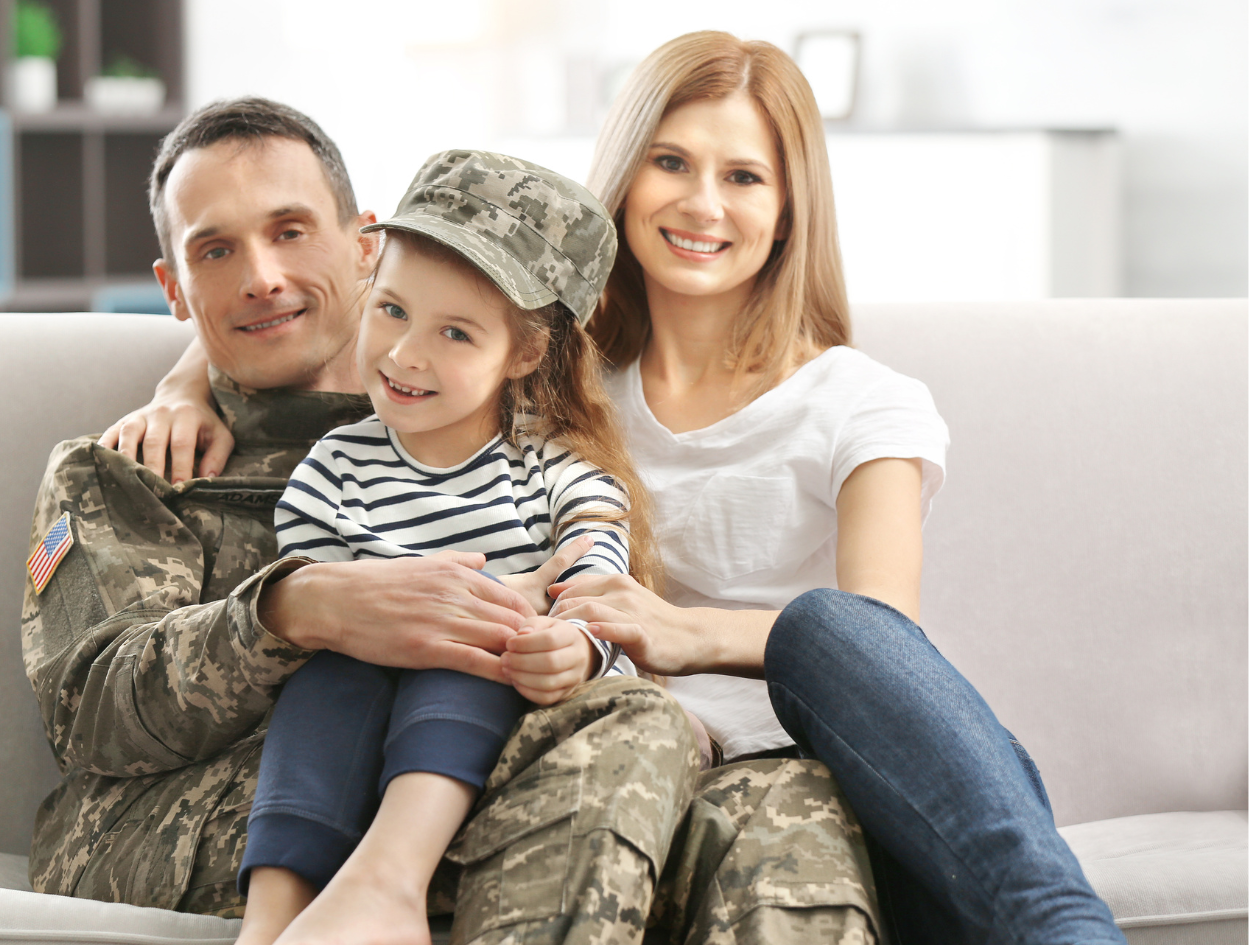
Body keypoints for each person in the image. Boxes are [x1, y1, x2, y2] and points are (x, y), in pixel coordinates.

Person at [110, 35, 1128, 945]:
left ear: (788, 213)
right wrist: (185, 377)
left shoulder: (861, 403)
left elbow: (883, 645)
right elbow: (369, 332)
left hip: (804, 736)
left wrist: (683, 631)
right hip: (603, 731)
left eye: (744, 177)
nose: (701, 203)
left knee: (831, 645)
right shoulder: (554, 382)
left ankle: (1056, 922)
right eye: (672, 163)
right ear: (625, 180)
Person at [54, 95, 881, 945]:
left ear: (362, 245)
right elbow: (88, 710)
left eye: (292, 230)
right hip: (250, 818)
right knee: (636, 728)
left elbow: (586, 537)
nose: (260, 274)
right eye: (214, 250)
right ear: (174, 288)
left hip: (506, 767)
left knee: (787, 803)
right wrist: (296, 609)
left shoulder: (513, 418)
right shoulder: (126, 468)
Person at [236, 150, 655, 945]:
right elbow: (324, 589)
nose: (404, 354)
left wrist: (573, 641)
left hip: (485, 694)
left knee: (471, 644)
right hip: (354, 691)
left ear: (525, 354)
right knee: (328, 678)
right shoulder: (333, 468)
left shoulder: (555, 471)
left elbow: (601, 580)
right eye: (390, 309)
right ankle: (273, 919)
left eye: (455, 332)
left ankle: (391, 882)